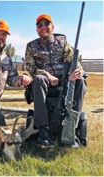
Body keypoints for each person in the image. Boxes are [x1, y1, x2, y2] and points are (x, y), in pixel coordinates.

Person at [25, 14, 87, 146]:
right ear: (37, 29)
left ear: (52, 27)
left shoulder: (62, 41)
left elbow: (73, 60)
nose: (43, 27)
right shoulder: (31, 46)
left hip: (65, 79)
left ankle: (72, 127)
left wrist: (77, 71)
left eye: (46, 24)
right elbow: (31, 68)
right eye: (39, 25)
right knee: (39, 79)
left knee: (80, 80)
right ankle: (43, 129)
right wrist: (47, 75)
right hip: (45, 80)